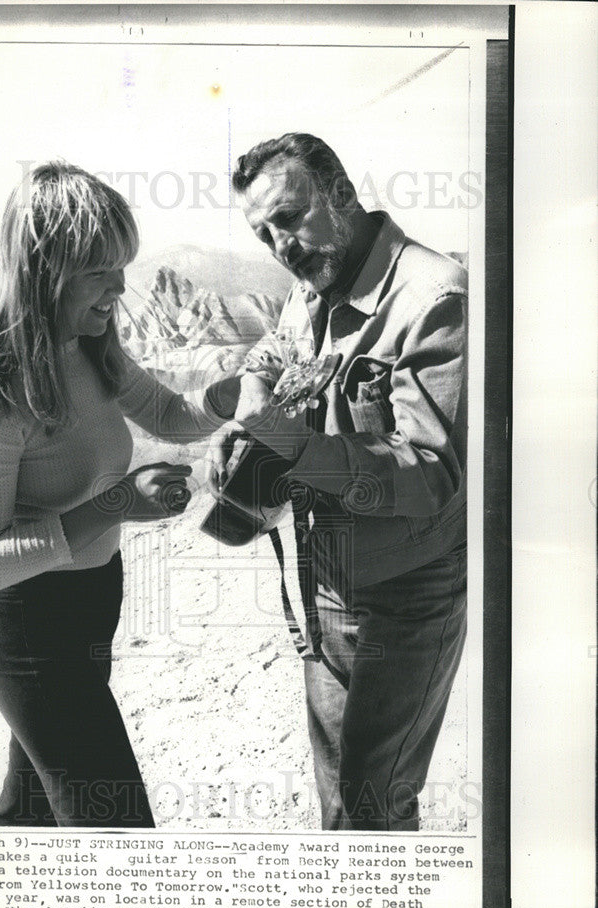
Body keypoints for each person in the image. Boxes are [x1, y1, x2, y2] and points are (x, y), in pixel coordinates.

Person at [0, 161, 228, 828]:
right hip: (28, 633)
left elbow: (173, 417)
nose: (120, 287)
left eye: (122, 265)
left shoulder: (92, 348)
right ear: (45, 269)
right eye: (99, 269)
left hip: (89, 615)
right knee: (118, 830)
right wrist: (118, 505)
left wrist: (231, 396)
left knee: (32, 816)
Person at [208, 133, 468, 831]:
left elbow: (433, 474)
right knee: (339, 804)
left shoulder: (433, 297)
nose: (282, 247)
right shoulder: (313, 282)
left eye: (290, 218)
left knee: (373, 805)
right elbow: (275, 348)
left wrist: (292, 447)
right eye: (265, 234)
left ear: (343, 195)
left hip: (408, 600)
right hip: (325, 590)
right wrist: (252, 404)